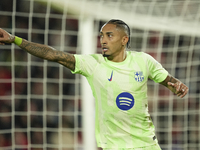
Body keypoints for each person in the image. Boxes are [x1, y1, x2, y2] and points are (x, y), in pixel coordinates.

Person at [0, 19, 189, 150]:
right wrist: (16, 40)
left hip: (147, 144)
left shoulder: (144, 61)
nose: (103, 41)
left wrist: (176, 85)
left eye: (109, 36)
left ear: (125, 40)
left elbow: (169, 81)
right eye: (101, 36)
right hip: (114, 146)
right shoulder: (93, 64)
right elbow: (53, 54)